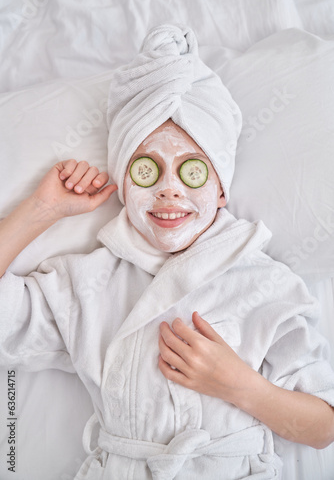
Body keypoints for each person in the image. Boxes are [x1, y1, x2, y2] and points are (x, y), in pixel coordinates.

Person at [1, 24, 334, 480]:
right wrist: (39, 211)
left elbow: (323, 428)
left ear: (220, 189)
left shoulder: (264, 283)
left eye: (193, 171)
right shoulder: (86, 284)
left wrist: (239, 385)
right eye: (146, 170)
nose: (169, 191)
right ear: (124, 182)